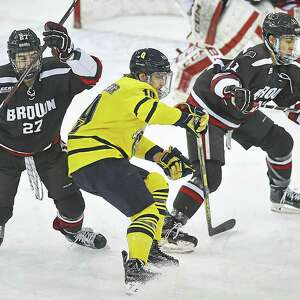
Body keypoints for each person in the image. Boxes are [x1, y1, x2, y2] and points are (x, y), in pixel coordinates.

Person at [66, 48, 209, 292]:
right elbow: (151, 112)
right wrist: (185, 119)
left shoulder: (123, 91)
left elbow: (129, 137)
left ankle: (149, 248)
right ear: (143, 76)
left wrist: (160, 156)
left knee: (156, 183)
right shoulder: (135, 90)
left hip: (92, 161)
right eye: (158, 77)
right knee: (145, 213)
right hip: (98, 160)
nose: (162, 82)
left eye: (164, 77)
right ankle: (136, 268)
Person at [162, 12, 300, 252]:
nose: (291, 46)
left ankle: (280, 195)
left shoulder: (290, 70)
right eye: (286, 40)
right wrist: (234, 91)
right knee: (209, 177)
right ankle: (169, 226)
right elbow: (222, 79)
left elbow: (292, 105)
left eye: (293, 40)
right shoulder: (255, 58)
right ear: (270, 39)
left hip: (242, 113)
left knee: (281, 141)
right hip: (208, 111)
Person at [0, 22, 107, 249]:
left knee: (73, 204)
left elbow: (93, 73)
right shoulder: (1, 81)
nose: (28, 63)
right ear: (11, 59)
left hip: (49, 151)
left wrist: (71, 53)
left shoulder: (57, 70)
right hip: (5, 156)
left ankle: (72, 230)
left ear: (41, 53)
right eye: (21, 58)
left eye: (32, 56)